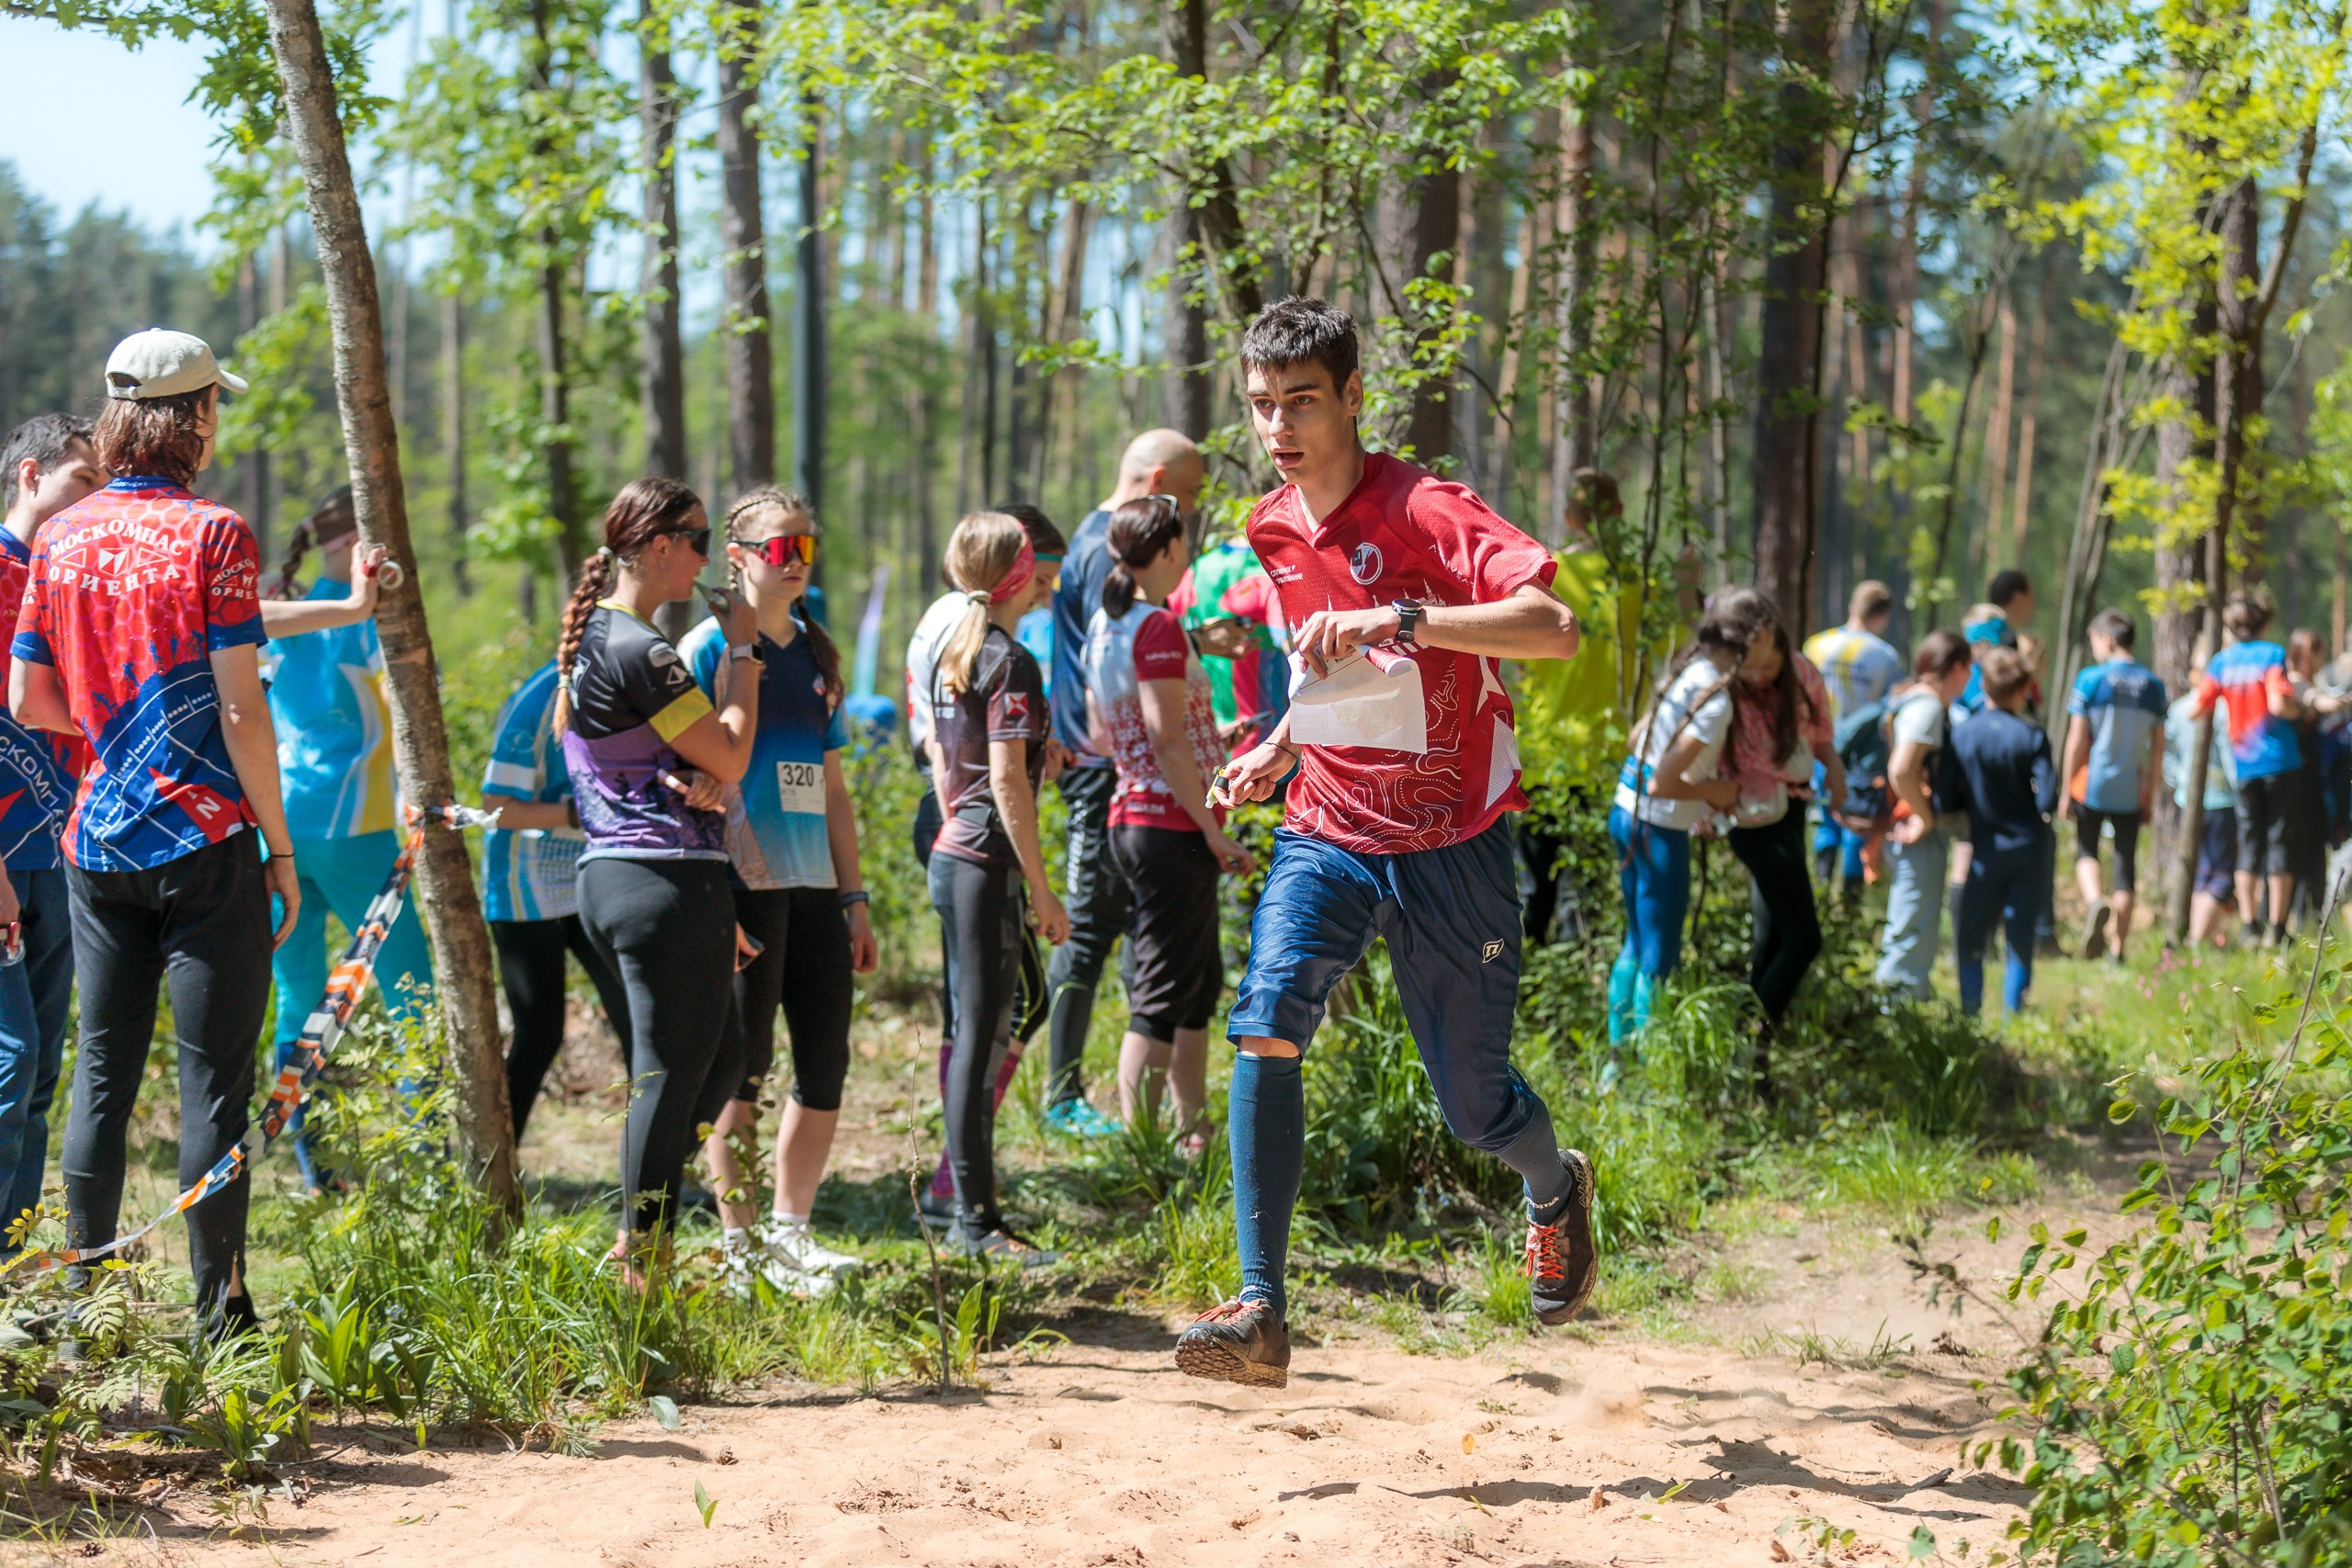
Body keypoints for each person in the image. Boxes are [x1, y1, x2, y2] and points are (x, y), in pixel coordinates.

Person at [1175, 299, 1595, 1391]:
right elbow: (1334, 675)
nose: (1279, 426)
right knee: (1265, 1021)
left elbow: (1554, 629)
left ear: (1354, 397)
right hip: (1326, 824)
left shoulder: (1424, 508)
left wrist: (1402, 616)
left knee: (1474, 1105)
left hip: (1455, 841)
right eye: (1261, 405)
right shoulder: (1271, 527)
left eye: (1302, 402)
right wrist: (1278, 747)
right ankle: (1260, 1310)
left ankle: (1553, 1186)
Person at [9, 330, 296, 1335]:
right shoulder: (215, 535)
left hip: (95, 843)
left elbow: (28, 698)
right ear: (195, 415)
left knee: (100, 1076)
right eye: (215, 405)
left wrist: (111, 734)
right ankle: (221, 1321)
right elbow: (242, 710)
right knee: (215, 1082)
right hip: (204, 839)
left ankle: (81, 1307)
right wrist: (279, 847)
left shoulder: (61, 536)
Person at [554, 477, 761, 1282]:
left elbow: (689, 758)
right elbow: (732, 754)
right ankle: (641, 1259)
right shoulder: (641, 649)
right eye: (700, 541)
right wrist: (742, 650)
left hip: (634, 876)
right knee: (670, 1075)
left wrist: (700, 772)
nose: (708, 559)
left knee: (719, 1059)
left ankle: (642, 1236)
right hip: (660, 880)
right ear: (661, 545)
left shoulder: (599, 639)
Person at [682, 489, 878, 1292]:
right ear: (737, 557)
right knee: (743, 1067)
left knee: (825, 1060)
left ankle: (791, 1233)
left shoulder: (815, 654)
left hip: (814, 886)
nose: (796, 562)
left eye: (807, 547)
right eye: (779, 549)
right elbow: (684, 774)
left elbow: (832, 789)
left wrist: (854, 898)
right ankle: (740, 1245)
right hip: (741, 885)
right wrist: (711, 896)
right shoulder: (708, 647)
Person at [259, 487, 423, 1192]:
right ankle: (429, 1163)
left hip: (281, 832)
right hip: (354, 831)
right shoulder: (367, 620)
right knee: (411, 989)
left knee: (297, 996)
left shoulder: (284, 612)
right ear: (361, 539)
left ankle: (318, 1169)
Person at [908, 507, 1067, 1220]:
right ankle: (973, 1214)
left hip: (957, 851)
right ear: (1021, 573)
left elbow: (944, 757)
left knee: (976, 1032)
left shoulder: (962, 649)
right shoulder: (1009, 658)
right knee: (981, 1036)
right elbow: (1004, 780)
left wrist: (955, 826)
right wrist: (1042, 890)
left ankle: (967, 1203)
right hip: (982, 858)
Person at [1081, 496, 1257, 1141]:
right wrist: (1212, 829)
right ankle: (1142, 1147)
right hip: (1169, 825)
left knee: (1196, 983)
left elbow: (1105, 731)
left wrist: (1209, 736)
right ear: (1169, 549)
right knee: (1160, 993)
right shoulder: (1154, 623)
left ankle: (1193, 1129)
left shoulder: (1107, 624)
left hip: (1143, 815)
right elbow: (1164, 737)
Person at [1042, 430, 1202, 1137]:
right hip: (1102, 771)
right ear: (1158, 481)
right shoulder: (1100, 546)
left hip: (1132, 771)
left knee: (1149, 931)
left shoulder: (1110, 544)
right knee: (1086, 926)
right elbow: (1107, 668)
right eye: (1188, 496)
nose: (1189, 513)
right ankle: (1060, 1093)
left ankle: (1156, 1107)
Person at [0, 415, 103, 1256]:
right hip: (3, 865)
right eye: (83, 482)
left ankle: (15, 1272)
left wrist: (348, 607)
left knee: (36, 1081)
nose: (95, 502)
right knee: (11, 1064)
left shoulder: (74, 583)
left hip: (59, 857)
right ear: (31, 475)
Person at [480, 659, 635, 1138]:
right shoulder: (542, 696)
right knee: (540, 1033)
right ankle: (493, 1164)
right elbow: (495, 807)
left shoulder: (630, 680)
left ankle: (655, 1164)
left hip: (592, 869)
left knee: (638, 1017)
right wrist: (577, 814)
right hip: (524, 878)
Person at [1607, 599, 1748, 1044]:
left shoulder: (1685, 673)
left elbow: (1636, 739)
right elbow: (1662, 784)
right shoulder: (1717, 700)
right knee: (1660, 952)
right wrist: (1715, 791)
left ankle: (1617, 1060)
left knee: (1636, 939)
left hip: (1624, 812)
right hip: (1659, 828)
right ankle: (1652, 1069)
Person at [1721, 592, 1841, 1085]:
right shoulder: (1721, 684)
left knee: (1772, 939)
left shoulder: (1803, 673)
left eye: (1768, 667)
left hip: (1790, 809)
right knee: (1804, 939)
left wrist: (1835, 771)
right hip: (1751, 820)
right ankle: (1748, 1043)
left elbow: (1821, 735)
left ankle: (1752, 1065)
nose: (1759, 677)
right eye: (1749, 669)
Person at [2193, 592, 2305, 945]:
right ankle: (2278, 929)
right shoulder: (2272, 654)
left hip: (2243, 765)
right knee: (2278, 839)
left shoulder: (2221, 662)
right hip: (2280, 760)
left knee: (2250, 841)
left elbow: (2198, 707)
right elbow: (2278, 704)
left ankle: (2249, 924)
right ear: (2266, 622)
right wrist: (2301, 710)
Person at [1951, 648, 2057, 1017]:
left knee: (1971, 939)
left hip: (1984, 849)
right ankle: (2014, 1017)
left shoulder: (1962, 735)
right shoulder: (2032, 736)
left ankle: (1970, 1014)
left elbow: (1946, 797)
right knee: (2019, 939)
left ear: (1983, 685)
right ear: (2023, 689)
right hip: (2029, 849)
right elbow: (2047, 800)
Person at [2059, 609, 2165, 964]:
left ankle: (2094, 902)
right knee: (2125, 868)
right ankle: (2118, 952)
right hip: (2132, 788)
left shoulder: (2091, 679)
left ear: (2107, 640)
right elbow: (2158, 747)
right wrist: (2151, 792)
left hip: (2091, 784)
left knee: (2086, 851)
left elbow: (2077, 739)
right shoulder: (2153, 685)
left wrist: (2065, 789)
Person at [1874, 632, 1974, 999]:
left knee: (1916, 916)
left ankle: (1913, 999)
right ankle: (1893, 1009)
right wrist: (1924, 817)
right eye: (1969, 669)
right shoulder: (1927, 706)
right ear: (1958, 668)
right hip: (1914, 829)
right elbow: (1901, 769)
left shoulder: (1909, 697)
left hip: (1904, 823)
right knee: (1911, 920)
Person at [1804, 581, 1903, 889]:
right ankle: (1849, 906)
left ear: (1852, 607)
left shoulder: (1816, 645)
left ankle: (1821, 891)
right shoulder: (1885, 656)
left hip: (1819, 747)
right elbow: (1891, 709)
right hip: (1861, 757)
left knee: (1824, 822)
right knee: (1856, 827)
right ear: (1882, 616)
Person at [2165, 637, 2238, 950]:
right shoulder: (2223, 709)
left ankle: (2197, 939)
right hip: (2222, 801)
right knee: (2219, 875)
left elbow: (2168, 756)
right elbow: (2231, 756)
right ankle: (2196, 942)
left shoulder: (2179, 709)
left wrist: (2179, 783)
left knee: (2198, 871)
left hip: (2187, 801)